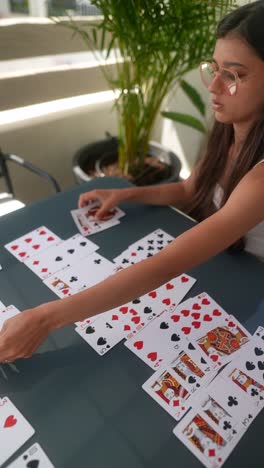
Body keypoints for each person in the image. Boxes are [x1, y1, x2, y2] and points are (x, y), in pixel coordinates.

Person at [0, 0, 263, 363]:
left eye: (234, 75)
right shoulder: (228, 129)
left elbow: (166, 266)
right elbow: (190, 189)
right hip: (221, 267)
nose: (213, 85)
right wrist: (126, 193)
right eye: (214, 68)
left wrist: (45, 318)